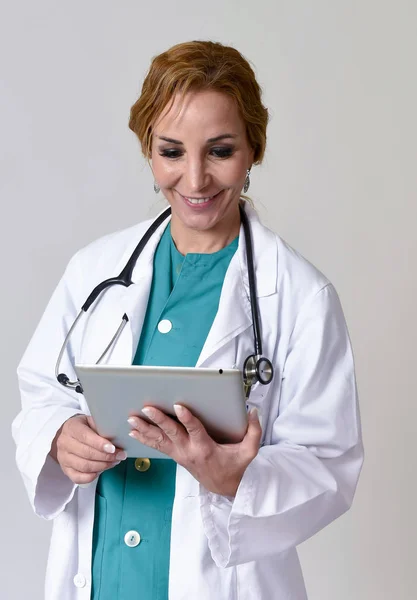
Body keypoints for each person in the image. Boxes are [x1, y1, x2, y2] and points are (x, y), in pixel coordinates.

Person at [12, 40, 364, 600]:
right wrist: (58, 437)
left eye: (219, 151)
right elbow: (41, 392)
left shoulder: (300, 295)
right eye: (172, 152)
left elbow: (328, 465)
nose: (195, 180)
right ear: (148, 152)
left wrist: (235, 479)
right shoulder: (96, 270)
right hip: (101, 578)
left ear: (253, 150)